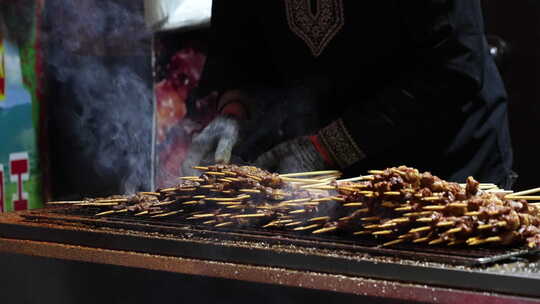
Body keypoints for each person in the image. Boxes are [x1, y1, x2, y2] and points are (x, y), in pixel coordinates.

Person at [182, 0, 515, 188]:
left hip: (442, 161)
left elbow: (454, 66)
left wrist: (327, 147)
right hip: (320, 174)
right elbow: (237, 43)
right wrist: (233, 112)